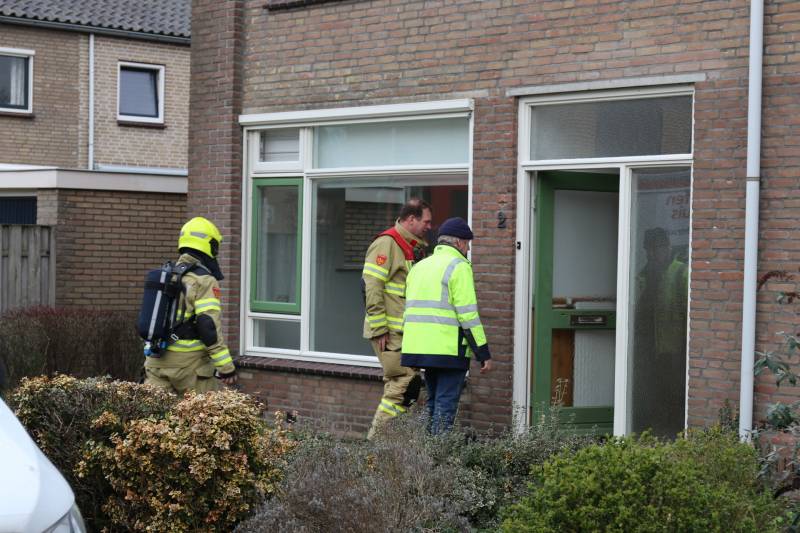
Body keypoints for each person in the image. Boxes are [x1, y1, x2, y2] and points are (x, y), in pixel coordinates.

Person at [401, 217, 492, 434]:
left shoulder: (419, 267)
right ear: (459, 243)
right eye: (468, 244)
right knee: (445, 405)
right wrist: (483, 352)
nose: (468, 249)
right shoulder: (458, 267)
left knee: (433, 403)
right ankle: (438, 460)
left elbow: (408, 309)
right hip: (448, 350)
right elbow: (468, 315)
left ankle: (425, 458)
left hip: (420, 348)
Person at [363, 198, 432, 439]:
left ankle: (392, 446)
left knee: (402, 387)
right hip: (389, 333)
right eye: (426, 221)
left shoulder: (412, 247)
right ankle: (376, 444)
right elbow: (371, 286)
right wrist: (380, 327)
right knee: (404, 383)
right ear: (411, 219)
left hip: (403, 333)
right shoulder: (387, 244)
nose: (429, 226)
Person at [144, 216, 237, 394]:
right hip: (189, 367)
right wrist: (226, 368)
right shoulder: (204, 280)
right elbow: (208, 326)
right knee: (201, 418)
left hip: (155, 362)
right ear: (209, 245)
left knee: (156, 419)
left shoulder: (165, 275)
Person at [632, 227, 688, 437]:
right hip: (648, 348)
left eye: (657, 249)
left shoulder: (681, 273)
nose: (652, 254)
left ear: (667, 247)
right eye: (649, 250)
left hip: (674, 348)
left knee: (673, 393)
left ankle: (672, 433)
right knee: (653, 393)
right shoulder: (642, 276)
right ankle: (655, 432)